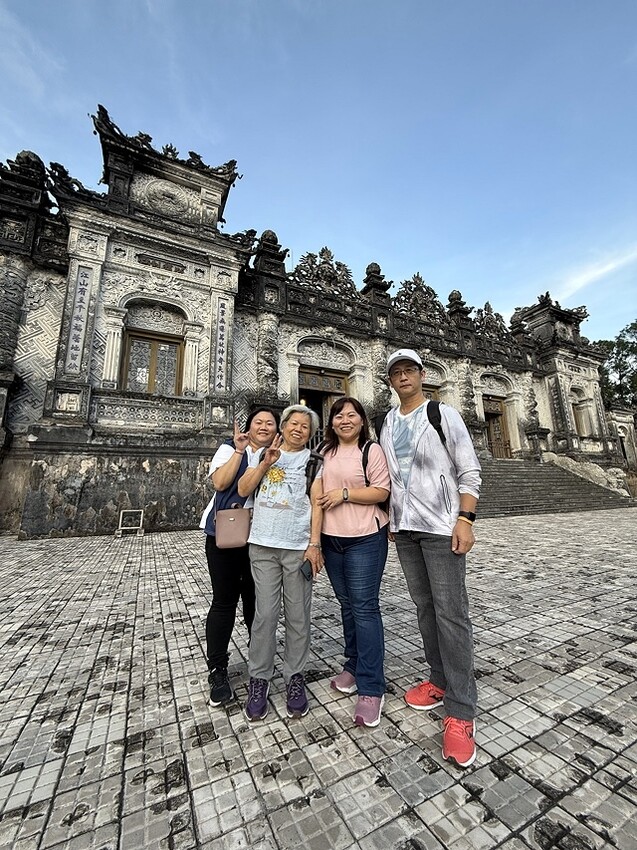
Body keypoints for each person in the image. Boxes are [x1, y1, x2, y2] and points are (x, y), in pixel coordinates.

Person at [379, 348, 482, 767]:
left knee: (451, 613)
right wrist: (391, 516)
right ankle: (439, 680)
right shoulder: (388, 421)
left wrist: (466, 519)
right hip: (405, 530)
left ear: (422, 375)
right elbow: (391, 476)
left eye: (410, 370)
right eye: (396, 373)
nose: (403, 377)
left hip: (442, 526)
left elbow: (469, 470)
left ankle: (461, 710)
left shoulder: (443, 414)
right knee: (425, 608)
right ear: (390, 380)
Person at [238, 404, 323, 722]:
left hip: (297, 549)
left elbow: (317, 505)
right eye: (293, 423)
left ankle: (294, 676)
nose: (298, 429)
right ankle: (259, 678)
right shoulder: (263, 453)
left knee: (298, 616)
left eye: (305, 426)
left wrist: (314, 545)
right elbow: (243, 488)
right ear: (283, 426)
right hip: (263, 545)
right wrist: (265, 464)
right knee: (265, 615)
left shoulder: (314, 462)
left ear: (311, 433)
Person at [316, 397, 390, 727]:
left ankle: (372, 686)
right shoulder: (324, 452)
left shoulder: (371, 450)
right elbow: (315, 493)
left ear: (362, 421)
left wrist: (344, 494)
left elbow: (381, 491)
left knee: (364, 608)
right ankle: (353, 664)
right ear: (331, 422)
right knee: (347, 605)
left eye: (351, 415)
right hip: (332, 539)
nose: (345, 420)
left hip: (365, 537)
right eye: (338, 416)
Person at [199, 407, 280, 707]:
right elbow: (220, 484)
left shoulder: (279, 455)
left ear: (277, 429)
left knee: (256, 602)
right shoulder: (230, 448)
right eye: (258, 422)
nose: (264, 426)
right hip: (227, 535)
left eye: (270, 423)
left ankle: (258, 662)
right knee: (224, 601)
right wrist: (238, 450)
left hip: (262, 537)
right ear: (249, 426)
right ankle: (217, 669)